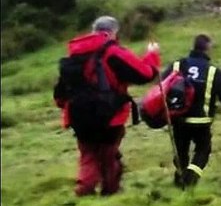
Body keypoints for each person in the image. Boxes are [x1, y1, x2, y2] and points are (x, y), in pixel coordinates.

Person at [56, 16, 161, 196]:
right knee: (108, 155)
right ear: (113, 32)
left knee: (88, 154)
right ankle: (110, 192)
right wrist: (152, 55)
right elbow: (144, 74)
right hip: (108, 113)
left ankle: (84, 190)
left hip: (78, 114)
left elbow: (61, 91)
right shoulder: (113, 52)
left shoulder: (74, 53)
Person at [167, 34, 221, 189]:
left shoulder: (177, 65)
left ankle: (180, 181)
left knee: (181, 152)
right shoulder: (212, 71)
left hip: (178, 119)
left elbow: (162, 86)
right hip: (201, 121)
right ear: (208, 49)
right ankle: (191, 178)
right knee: (203, 150)